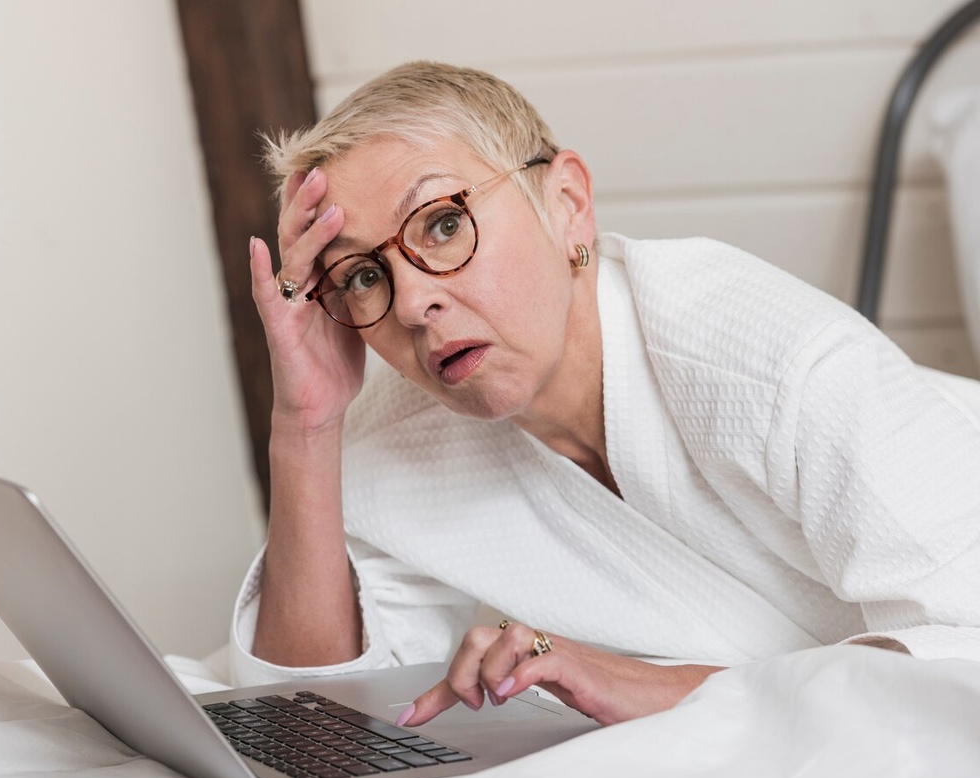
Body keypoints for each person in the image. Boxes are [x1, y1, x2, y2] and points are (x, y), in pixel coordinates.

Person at [232, 60, 980, 729]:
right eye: (362, 275)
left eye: (444, 224)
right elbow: (314, 718)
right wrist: (306, 423)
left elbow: (963, 648)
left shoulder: (774, 360)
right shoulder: (400, 436)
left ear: (567, 204)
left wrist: (658, 689)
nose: (411, 305)